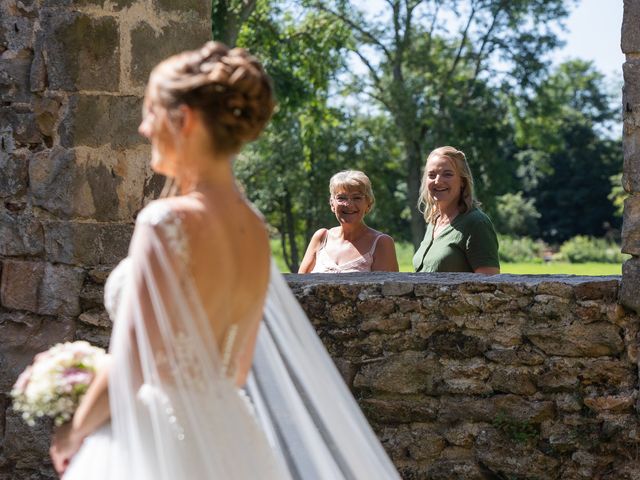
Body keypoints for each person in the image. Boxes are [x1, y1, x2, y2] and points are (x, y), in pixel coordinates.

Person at [49, 42, 400, 479]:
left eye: (151, 112)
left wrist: (74, 430)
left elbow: (134, 358)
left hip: (159, 437)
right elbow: (236, 365)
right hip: (230, 430)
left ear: (187, 120)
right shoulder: (253, 226)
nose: (143, 127)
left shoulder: (165, 221)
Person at [412, 146, 500, 274]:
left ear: (462, 181)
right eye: (431, 175)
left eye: (447, 174)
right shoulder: (434, 222)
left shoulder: (476, 223)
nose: (438, 181)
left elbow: (488, 287)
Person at [298, 170, 399, 273]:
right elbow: (298, 283)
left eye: (356, 198)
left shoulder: (381, 243)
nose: (348, 204)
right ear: (332, 204)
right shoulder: (321, 237)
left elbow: (387, 288)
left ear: (368, 204)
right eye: (341, 198)